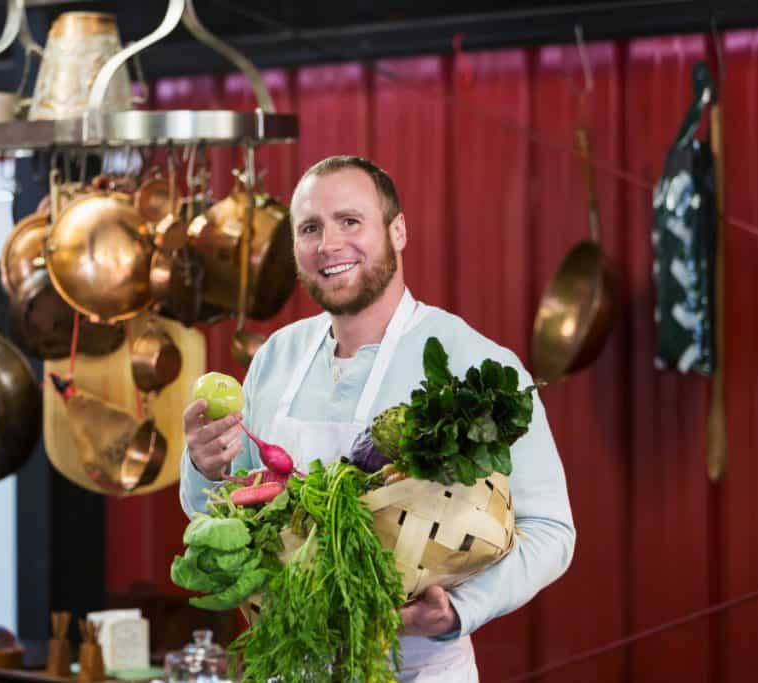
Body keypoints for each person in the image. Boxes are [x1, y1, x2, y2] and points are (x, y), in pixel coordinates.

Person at [179, 155, 575, 682]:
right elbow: (220, 517)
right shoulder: (276, 356)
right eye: (310, 228)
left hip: (418, 668)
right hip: (292, 662)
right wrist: (204, 467)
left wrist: (461, 610)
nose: (329, 245)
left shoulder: (474, 363)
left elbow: (550, 530)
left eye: (350, 221)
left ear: (398, 230)